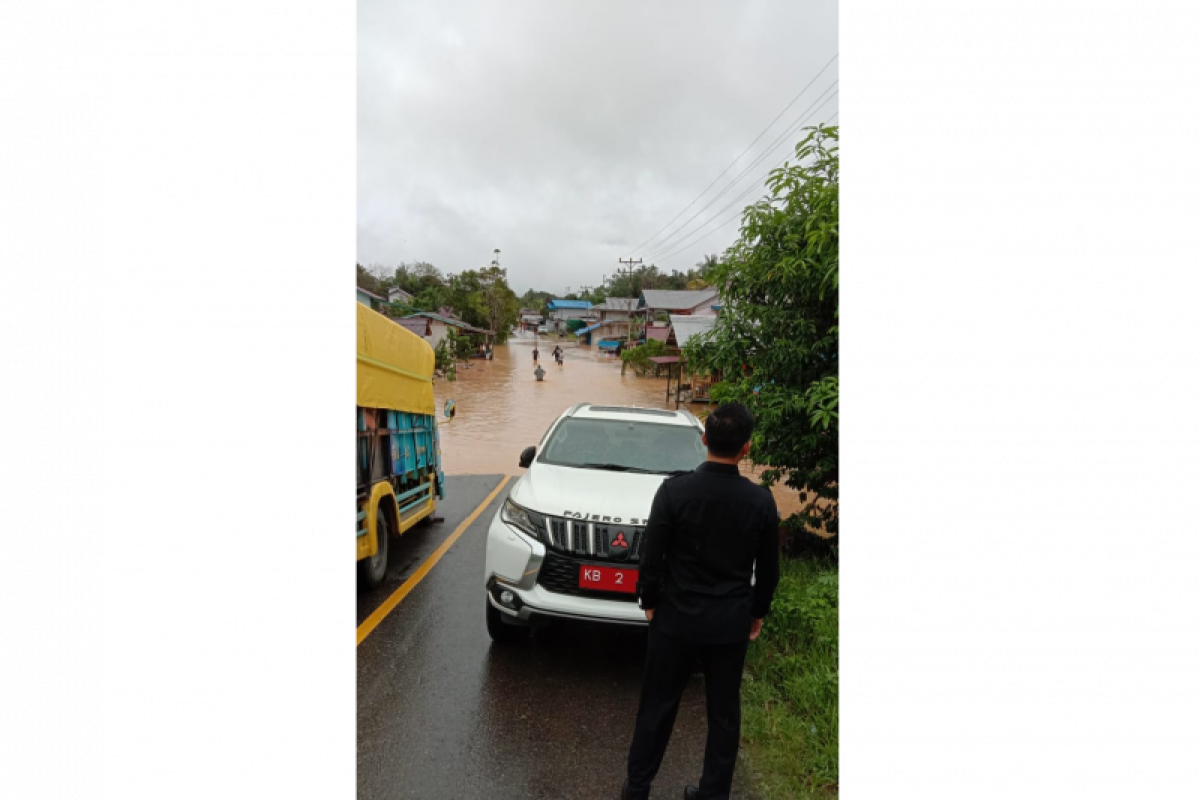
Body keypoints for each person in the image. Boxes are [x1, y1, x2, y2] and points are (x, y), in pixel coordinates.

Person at [622, 402, 780, 800]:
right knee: (724, 715)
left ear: (704, 438)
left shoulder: (674, 491)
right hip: (729, 625)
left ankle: (637, 789)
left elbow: (651, 555)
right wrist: (756, 613)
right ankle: (713, 794)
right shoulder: (761, 502)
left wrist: (650, 600)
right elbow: (770, 570)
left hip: (674, 621)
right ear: (746, 448)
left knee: (657, 706)